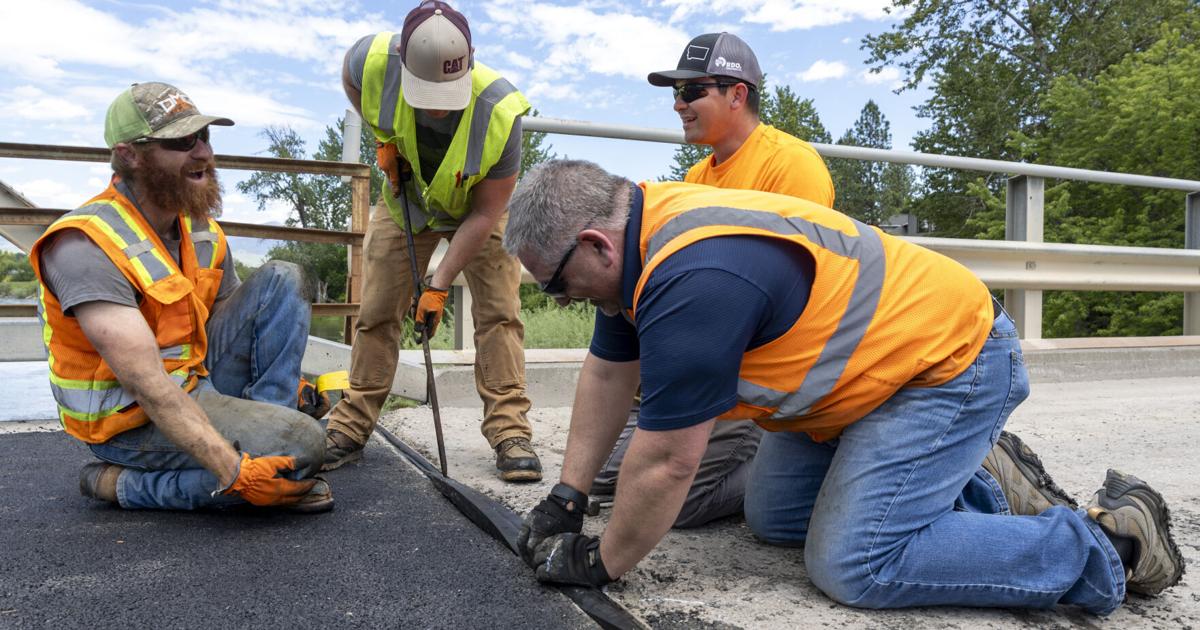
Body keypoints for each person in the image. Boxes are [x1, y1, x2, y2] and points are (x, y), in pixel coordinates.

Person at [507, 159, 1184, 612]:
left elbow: (668, 461)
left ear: (597, 243)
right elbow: (605, 371)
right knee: (776, 522)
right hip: (865, 385)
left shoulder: (695, 278)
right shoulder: (641, 244)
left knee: (854, 564)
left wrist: (601, 562)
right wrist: (567, 497)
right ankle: (975, 479)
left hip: (948, 364)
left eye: (557, 284)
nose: (561, 299)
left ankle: (1112, 546)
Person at [595, 32, 1067, 529]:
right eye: (674, 93)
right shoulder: (697, 178)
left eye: (692, 92)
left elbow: (800, 294)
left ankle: (956, 471)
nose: (677, 105)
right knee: (617, 481)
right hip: (726, 367)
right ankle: (858, 473)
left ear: (738, 94)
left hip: (765, 371)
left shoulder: (790, 165)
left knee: (670, 497)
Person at [31, 82, 331, 512]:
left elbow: (229, 325)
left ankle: (274, 446)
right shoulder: (86, 244)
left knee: (284, 277)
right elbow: (148, 384)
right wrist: (234, 473)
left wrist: (281, 393)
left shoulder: (199, 229)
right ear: (130, 155)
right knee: (305, 445)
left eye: (205, 137)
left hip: (194, 383)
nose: (204, 153)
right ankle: (121, 484)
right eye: (182, 141)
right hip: (129, 423)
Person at [326, 0, 541, 482]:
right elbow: (350, 76)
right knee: (377, 313)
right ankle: (350, 426)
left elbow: (486, 212)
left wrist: (438, 284)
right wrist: (383, 137)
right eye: (426, 92)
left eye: (449, 90)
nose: (439, 104)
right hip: (408, 202)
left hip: (476, 209)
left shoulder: (502, 112)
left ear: (469, 61)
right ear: (403, 60)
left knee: (499, 317)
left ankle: (511, 432)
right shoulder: (371, 60)